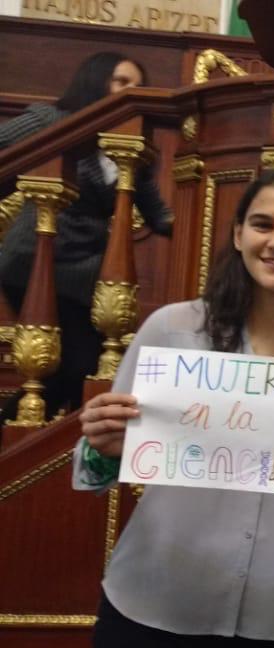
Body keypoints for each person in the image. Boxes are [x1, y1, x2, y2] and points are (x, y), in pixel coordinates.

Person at [73, 167, 274, 648]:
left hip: (268, 622)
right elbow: (103, 469)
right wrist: (100, 446)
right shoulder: (173, 330)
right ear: (237, 235)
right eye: (262, 224)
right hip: (152, 608)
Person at [0, 51, 173, 422]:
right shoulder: (54, 120)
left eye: (139, 86)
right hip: (35, 259)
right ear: (95, 81)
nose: (132, 92)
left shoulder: (132, 143)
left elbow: (158, 213)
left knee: (80, 370)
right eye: (122, 82)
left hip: (88, 273)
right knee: (62, 367)